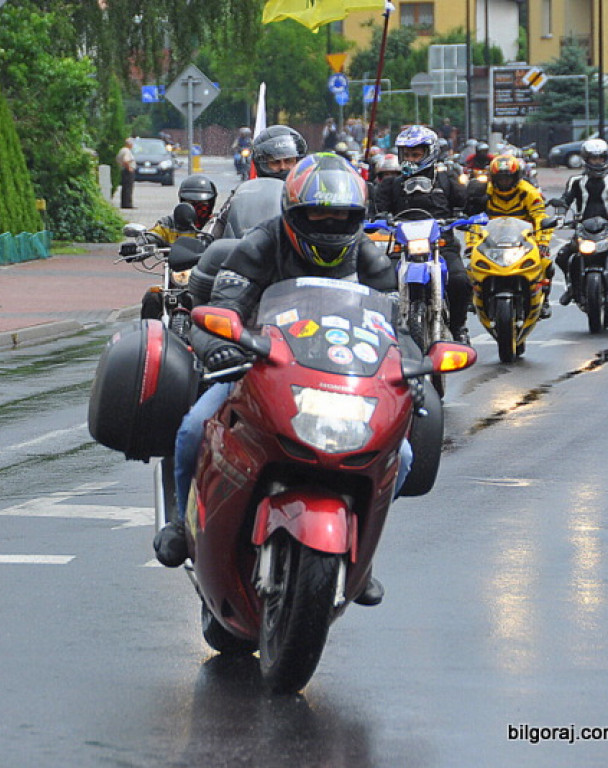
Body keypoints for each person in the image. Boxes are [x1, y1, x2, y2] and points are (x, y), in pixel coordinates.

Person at [155, 154, 400, 606]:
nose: (329, 224)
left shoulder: (370, 257)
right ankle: (179, 522)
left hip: (343, 379)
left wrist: (411, 370)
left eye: (342, 216)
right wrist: (222, 348)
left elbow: (398, 330)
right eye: (318, 214)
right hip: (258, 368)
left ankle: (361, 557)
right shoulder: (257, 246)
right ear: (291, 213)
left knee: (399, 454)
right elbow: (221, 312)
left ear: (358, 218)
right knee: (193, 427)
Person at [373, 124, 472, 343]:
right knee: (380, 283)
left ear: (430, 153)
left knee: (460, 281)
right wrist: (378, 218)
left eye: (416, 154)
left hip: (441, 245)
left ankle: (458, 328)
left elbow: (467, 203)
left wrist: (467, 214)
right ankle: (380, 334)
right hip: (402, 248)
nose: (411, 159)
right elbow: (377, 209)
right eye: (406, 154)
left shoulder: (446, 181)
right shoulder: (391, 184)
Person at [465, 153, 553, 316]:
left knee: (546, 263)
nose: (504, 182)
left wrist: (542, 242)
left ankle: (544, 300)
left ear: (516, 177)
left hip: (524, 240)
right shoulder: (484, 192)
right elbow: (475, 220)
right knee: (471, 266)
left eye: (508, 178)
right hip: (492, 240)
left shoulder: (529, 192)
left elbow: (540, 217)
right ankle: (473, 297)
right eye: (500, 178)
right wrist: (471, 244)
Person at [135, 175, 217, 320]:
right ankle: (150, 337)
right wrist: (140, 245)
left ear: (211, 203)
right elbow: (154, 235)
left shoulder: (216, 225)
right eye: (190, 203)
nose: (196, 209)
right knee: (152, 296)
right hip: (174, 285)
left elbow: (232, 240)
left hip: (208, 285)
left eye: (202, 204)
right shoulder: (169, 223)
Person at [548, 138, 608, 305]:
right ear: (586, 159)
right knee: (563, 256)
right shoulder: (576, 181)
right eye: (593, 158)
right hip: (583, 227)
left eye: (600, 158)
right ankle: (572, 288)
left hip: (607, 228)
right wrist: (559, 217)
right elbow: (565, 200)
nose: (597, 162)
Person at [116, 138, 137, 209]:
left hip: (123, 170)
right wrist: (129, 168)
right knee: (128, 187)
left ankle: (124, 203)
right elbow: (126, 160)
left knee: (125, 187)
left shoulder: (122, 150)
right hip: (127, 171)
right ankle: (128, 204)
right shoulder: (127, 151)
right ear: (129, 144)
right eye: (132, 144)